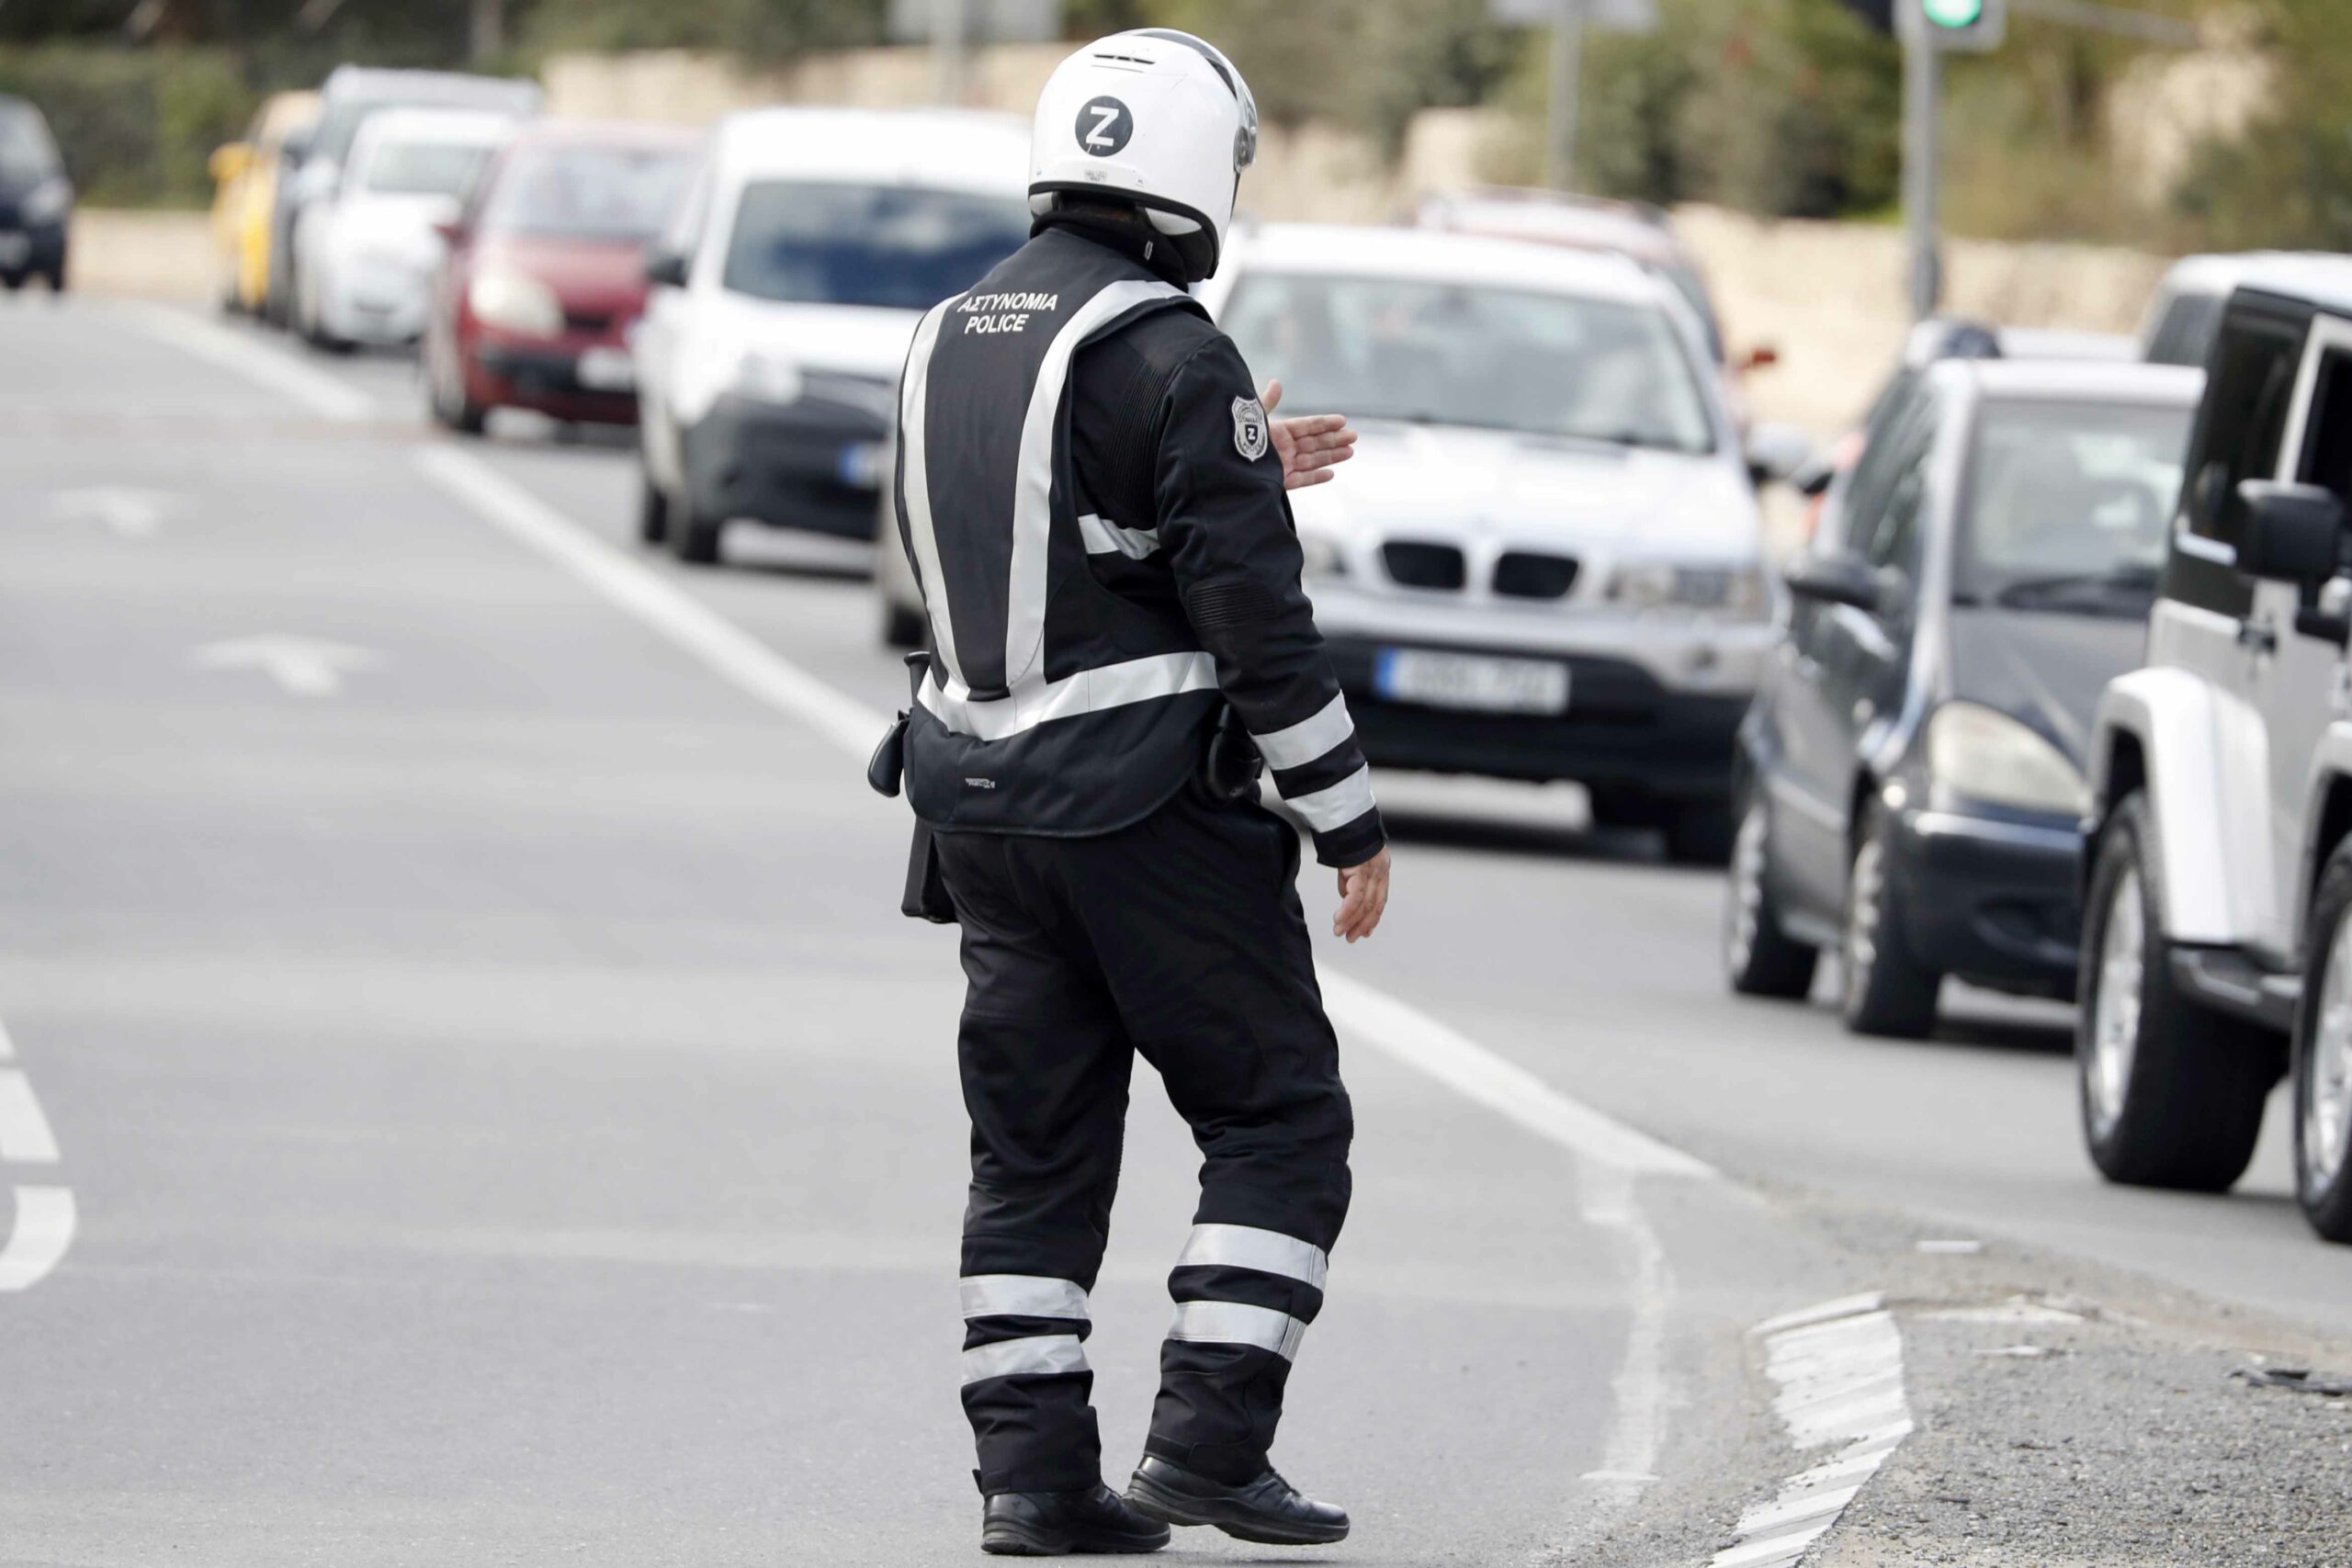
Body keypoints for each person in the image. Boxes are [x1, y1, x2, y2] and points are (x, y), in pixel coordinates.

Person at [885, 28, 1392, 1558]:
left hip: (978, 816)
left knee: (1032, 1154)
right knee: (1280, 1117)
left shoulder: (951, 330)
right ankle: (1210, 1444)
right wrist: (1346, 819)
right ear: (1191, 173)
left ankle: (1033, 1485)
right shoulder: (1174, 350)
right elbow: (1256, 621)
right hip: (1145, 815)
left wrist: (1244, 464)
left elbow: (1065, 529)